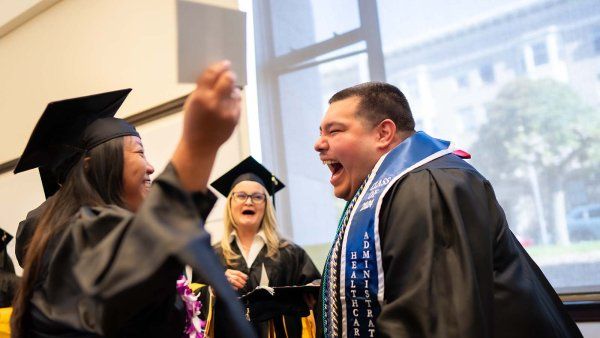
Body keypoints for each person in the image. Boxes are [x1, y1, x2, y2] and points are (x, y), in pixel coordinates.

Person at [313, 82, 582, 338]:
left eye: (335, 131)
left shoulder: (427, 185)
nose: (319, 144)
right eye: (321, 132)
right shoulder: (407, 186)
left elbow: (437, 322)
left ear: (383, 133)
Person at [11, 61, 256, 337]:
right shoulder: (69, 238)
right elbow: (143, 251)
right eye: (139, 153)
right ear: (94, 166)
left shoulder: (94, 236)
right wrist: (198, 144)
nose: (151, 167)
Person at [193, 156, 321, 338]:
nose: (249, 202)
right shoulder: (211, 256)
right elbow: (193, 305)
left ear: (266, 205)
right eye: (241, 196)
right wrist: (214, 287)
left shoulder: (291, 253)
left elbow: (317, 297)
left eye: (257, 197)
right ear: (230, 203)